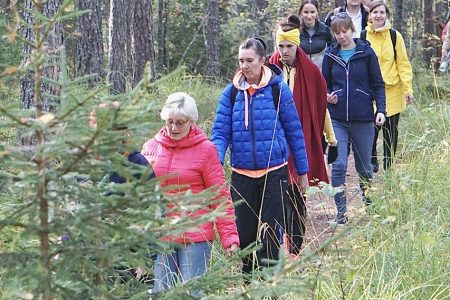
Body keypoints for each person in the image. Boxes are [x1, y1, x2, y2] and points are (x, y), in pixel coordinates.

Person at [211, 38, 309, 274]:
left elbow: (295, 131)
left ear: (262, 60)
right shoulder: (231, 93)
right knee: (244, 236)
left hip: (274, 173)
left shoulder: (278, 89)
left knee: (271, 236)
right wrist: (214, 164)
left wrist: (303, 172)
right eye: (240, 61)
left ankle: (269, 288)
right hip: (241, 175)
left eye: (249, 61)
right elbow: (220, 133)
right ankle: (248, 285)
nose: (244, 66)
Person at [141, 92, 239, 294]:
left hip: (196, 235)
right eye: (170, 122)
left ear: (192, 122)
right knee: (160, 292)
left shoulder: (206, 150)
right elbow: (140, 192)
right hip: (162, 234)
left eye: (180, 123)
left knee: (191, 293)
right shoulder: (151, 147)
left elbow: (219, 196)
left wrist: (229, 237)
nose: (174, 128)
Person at [268, 15, 328, 256]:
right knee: (276, 195)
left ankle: (294, 247)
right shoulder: (267, 70)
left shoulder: (311, 71)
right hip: (273, 142)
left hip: (299, 138)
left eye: (289, 46)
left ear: (297, 44)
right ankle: (276, 244)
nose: (284, 51)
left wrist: (328, 138)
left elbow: (321, 107)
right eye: (280, 46)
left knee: (297, 194)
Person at [322, 13, 386, 224]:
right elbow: (325, 85)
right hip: (338, 119)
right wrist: (328, 96)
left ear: (352, 30)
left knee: (365, 168)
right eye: (337, 32)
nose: (341, 36)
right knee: (339, 165)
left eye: (344, 31)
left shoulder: (366, 53)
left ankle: (370, 208)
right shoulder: (330, 56)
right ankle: (341, 214)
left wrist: (381, 110)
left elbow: (378, 84)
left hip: (363, 119)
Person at [363, 1, 414, 172]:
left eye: (382, 12)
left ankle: (389, 165)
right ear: (370, 15)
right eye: (375, 12)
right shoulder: (363, 36)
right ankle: (372, 160)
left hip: (392, 89)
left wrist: (408, 89)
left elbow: (403, 63)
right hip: (370, 92)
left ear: (387, 15)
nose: (378, 15)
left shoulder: (394, 36)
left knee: (390, 131)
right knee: (371, 129)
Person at [298, 0, 333, 70]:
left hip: (322, 74)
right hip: (301, 73)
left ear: (317, 12)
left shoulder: (325, 30)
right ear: (301, 12)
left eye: (312, 12)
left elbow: (333, 52)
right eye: (306, 12)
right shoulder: (296, 31)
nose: (309, 16)